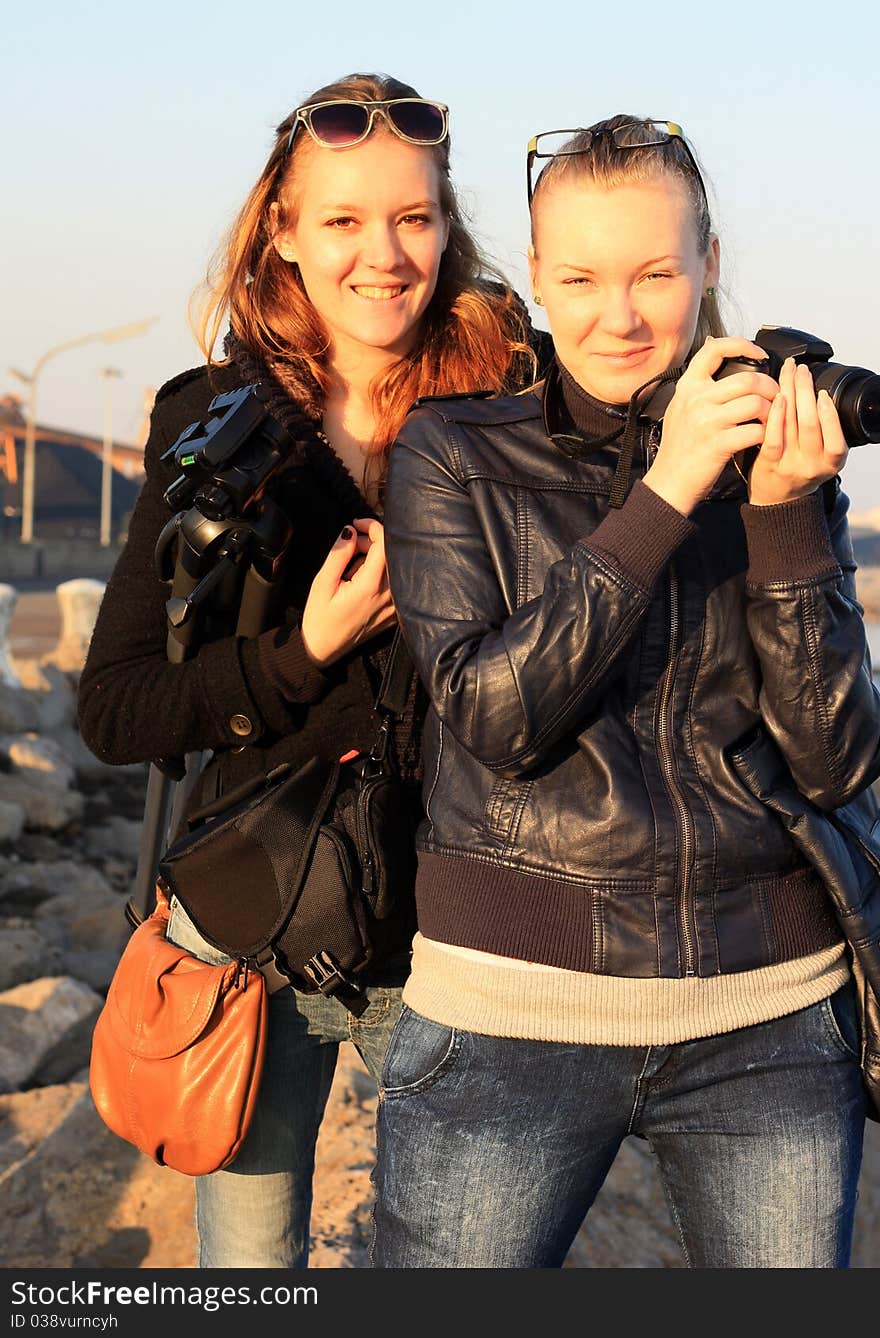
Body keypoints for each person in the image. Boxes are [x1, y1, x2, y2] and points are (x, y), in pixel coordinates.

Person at [375, 114, 880, 1268]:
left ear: (707, 267)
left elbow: (835, 759)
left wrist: (785, 513)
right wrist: (666, 492)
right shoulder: (452, 452)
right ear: (539, 282)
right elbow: (496, 718)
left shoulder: (770, 460)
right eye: (586, 278)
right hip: (512, 1014)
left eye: (656, 273)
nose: (622, 314)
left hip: (767, 1010)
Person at [77, 71, 544, 1269]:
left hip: (458, 919)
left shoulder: (514, 403)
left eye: (412, 217)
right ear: (283, 233)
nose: (381, 254)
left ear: (447, 225)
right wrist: (305, 655)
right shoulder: (217, 419)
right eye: (341, 220)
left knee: (470, 1254)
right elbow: (118, 707)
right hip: (254, 912)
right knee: (249, 1265)